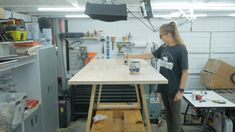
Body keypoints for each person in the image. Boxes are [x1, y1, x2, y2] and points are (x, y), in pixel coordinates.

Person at [125, 21, 188, 132]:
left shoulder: (181, 49)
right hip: (164, 87)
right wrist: (131, 56)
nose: (160, 38)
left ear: (168, 34)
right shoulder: (164, 47)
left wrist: (180, 91)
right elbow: (150, 55)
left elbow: (185, 72)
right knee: (168, 114)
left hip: (174, 88)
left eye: (161, 35)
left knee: (176, 116)